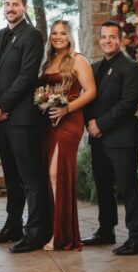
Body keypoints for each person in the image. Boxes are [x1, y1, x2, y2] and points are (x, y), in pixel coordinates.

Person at [0, 0, 49, 253]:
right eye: (7, 4)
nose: (11, 8)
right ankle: (12, 226)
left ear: (24, 8)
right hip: (1, 117)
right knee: (11, 177)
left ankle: (35, 233)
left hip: (22, 118)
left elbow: (27, 75)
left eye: (16, 4)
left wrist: (3, 105)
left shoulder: (32, 35)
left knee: (30, 178)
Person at [83, 21, 138, 255]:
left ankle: (136, 238)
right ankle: (105, 230)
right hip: (98, 138)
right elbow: (87, 99)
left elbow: (128, 104)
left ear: (120, 40)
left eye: (112, 37)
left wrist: (100, 124)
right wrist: (90, 125)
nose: (107, 41)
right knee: (103, 186)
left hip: (122, 139)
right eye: (103, 37)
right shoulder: (94, 67)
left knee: (128, 188)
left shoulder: (131, 68)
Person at [38, 20, 96, 251]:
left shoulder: (78, 59)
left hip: (69, 120)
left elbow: (91, 91)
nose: (58, 37)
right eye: (54, 33)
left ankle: (63, 235)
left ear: (70, 36)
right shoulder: (48, 62)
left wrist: (66, 108)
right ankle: (55, 229)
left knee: (56, 173)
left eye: (63, 33)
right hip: (48, 122)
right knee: (50, 175)